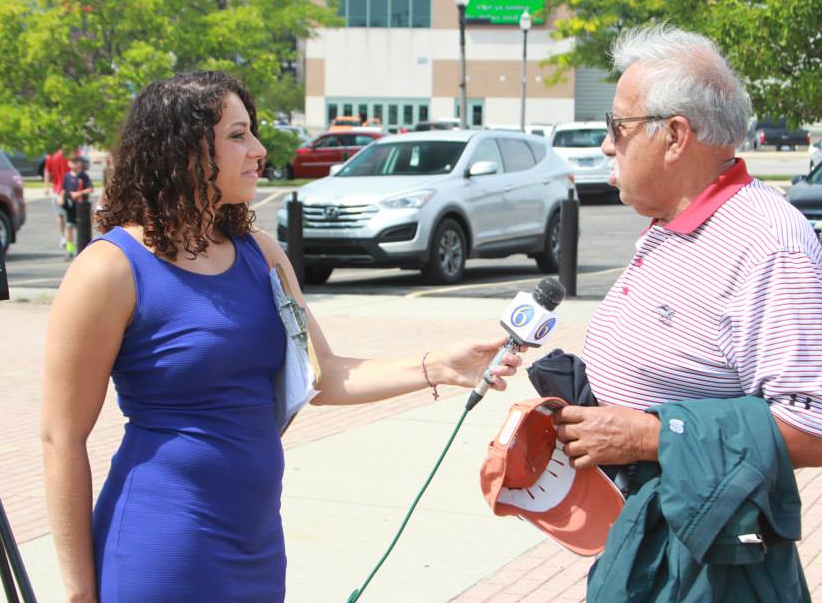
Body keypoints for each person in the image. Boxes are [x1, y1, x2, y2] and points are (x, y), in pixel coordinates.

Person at [41, 71, 523, 602]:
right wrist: (79, 590)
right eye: (237, 134)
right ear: (181, 150)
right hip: (162, 543)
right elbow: (61, 438)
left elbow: (326, 375)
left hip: (255, 545)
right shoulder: (110, 269)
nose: (259, 149)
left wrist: (443, 366)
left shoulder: (261, 253)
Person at [551, 26, 822, 598]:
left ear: (675, 136)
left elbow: (811, 429)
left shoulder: (767, 240)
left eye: (619, 127)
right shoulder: (668, 226)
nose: (608, 145)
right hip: (652, 535)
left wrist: (645, 436)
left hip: (708, 559)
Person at [59, 156, 94, 259]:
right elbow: (64, 189)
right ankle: (70, 250)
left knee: (83, 229)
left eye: (76, 162)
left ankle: (84, 249)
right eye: (72, 162)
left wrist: (79, 193)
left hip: (82, 207)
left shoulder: (84, 176)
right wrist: (61, 198)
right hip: (71, 206)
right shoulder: (67, 176)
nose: (74, 164)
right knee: (69, 227)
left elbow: (90, 189)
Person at [44, 148, 70, 249]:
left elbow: (47, 171)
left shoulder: (50, 156)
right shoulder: (68, 153)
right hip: (69, 188)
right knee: (68, 215)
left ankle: (63, 237)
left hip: (57, 189)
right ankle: (68, 238)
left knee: (60, 215)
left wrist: (45, 186)